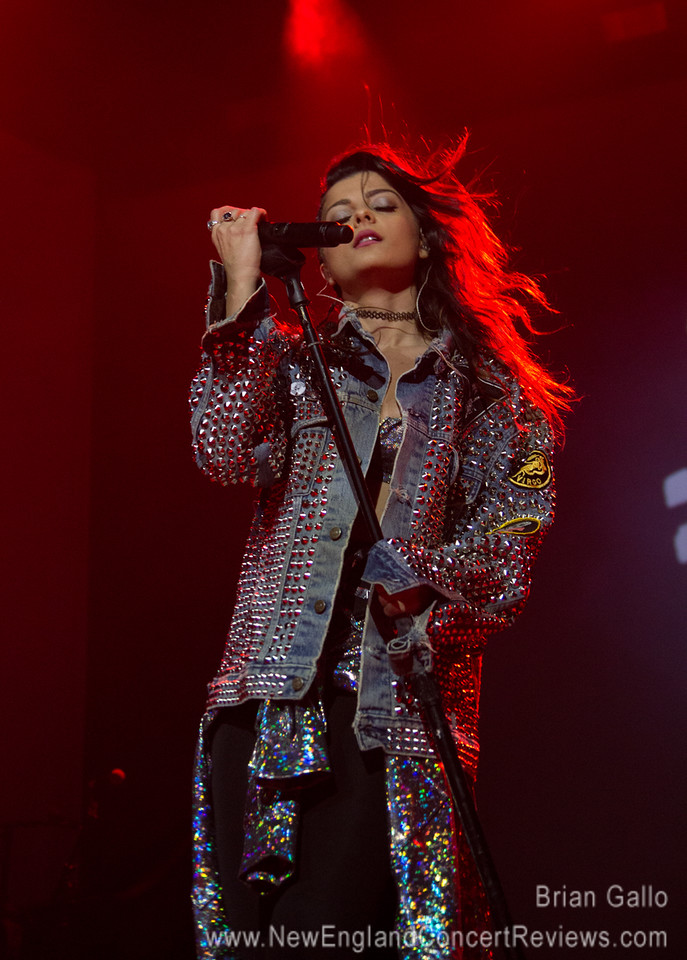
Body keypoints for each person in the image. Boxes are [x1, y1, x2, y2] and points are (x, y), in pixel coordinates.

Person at [190, 140, 573, 960]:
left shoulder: (495, 397)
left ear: (426, 237)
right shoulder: (290, 362)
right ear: (322, 256)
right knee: (251, 946)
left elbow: (510, 547)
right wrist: (241, 290)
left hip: (389, 714)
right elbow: (220, 451)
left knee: (325, 937)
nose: (356, 216)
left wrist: (421, 577)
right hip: (263, 699)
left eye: (379, 204)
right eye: (337, 215)